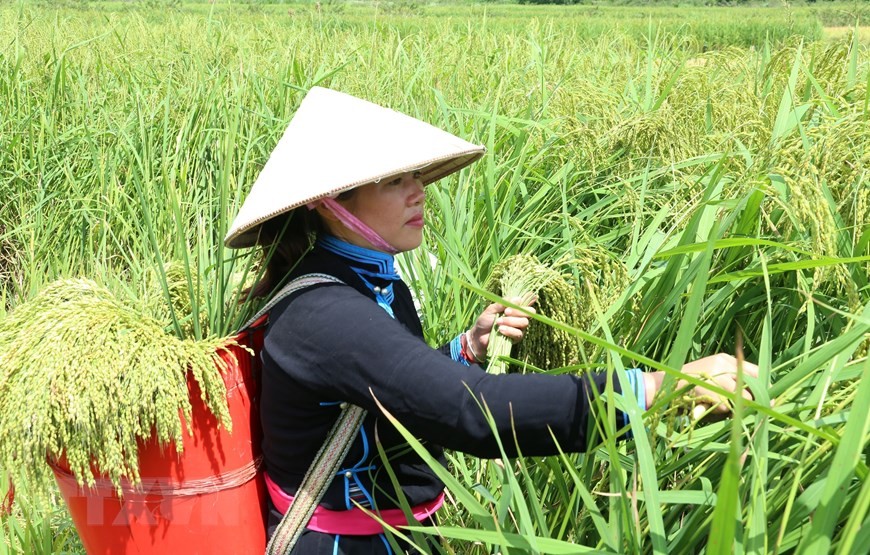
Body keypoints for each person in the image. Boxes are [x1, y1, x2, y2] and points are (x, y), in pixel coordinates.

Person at [225, 87, 758, 554]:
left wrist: (465, 350)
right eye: (394, 181)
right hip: (342, 546)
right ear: (328, 202)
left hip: (398, 534)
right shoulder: (326, 314)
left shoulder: (372, 282)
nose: (419, 191)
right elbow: (472, 412)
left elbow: (390, 391)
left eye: (416, 174)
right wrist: (651, 390)